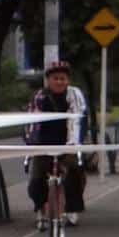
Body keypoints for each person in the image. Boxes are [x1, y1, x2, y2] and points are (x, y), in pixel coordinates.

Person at [25, 61, 86, 228]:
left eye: (63, 78)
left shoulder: (74, 95)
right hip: (43, 144)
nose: (60, 82)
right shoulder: (39, 97)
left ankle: (72, 210)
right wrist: (32, 143)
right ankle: (40, 210)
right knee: (37, 179)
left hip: (67, 142)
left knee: (74, 173)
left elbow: (77, 119)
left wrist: (73, 144)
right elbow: (32, 122)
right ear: (48, 80)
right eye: (56, 78)